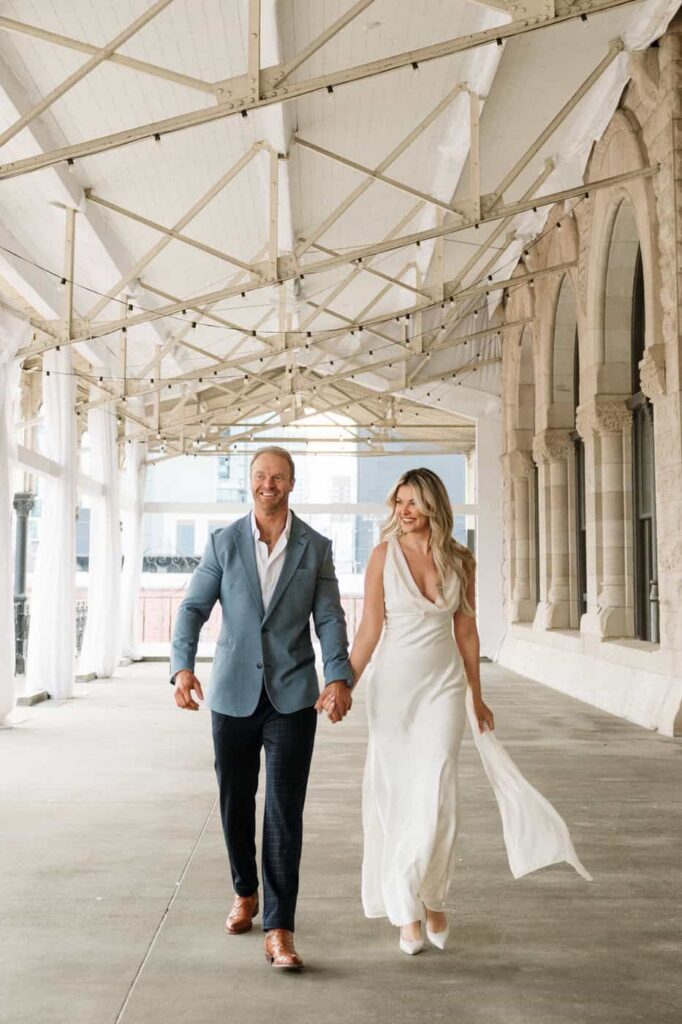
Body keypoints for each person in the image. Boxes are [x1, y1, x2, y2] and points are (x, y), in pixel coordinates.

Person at [325, 467, 590, 956]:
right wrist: (343, 684)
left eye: (413, 502)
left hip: (443, 687)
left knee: (439, 791)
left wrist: (477, 693)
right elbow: (367, 633)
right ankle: (407, 908)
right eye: (398, 501)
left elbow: (467, 633)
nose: (404, 511)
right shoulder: (383, 557)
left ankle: (434, 896)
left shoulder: (460, 561)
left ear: (433, 506)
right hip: (394, 690)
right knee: (398, 795)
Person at [171, 446, 353, 970]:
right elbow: (192, 608)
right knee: (234, 801)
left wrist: (338, 674)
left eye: (277, 477)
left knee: (283, 812)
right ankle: (244, 891)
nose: (267, 484)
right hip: (230, 695)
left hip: (293, 695)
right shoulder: (223, 542)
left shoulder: (315, 547)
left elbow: (330, 618)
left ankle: (279, 928)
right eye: (259, 476)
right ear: (249, 483)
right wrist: (182, 667)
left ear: (292, 483)